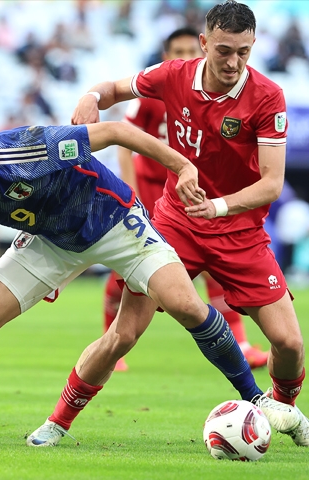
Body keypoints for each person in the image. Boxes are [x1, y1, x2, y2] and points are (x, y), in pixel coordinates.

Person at [30, 0, 309, 448]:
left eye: (243, 52)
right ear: (204, 44)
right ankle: (57, 422)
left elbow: (272, 183)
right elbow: (111, 89)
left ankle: (285, 408)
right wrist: (89, 99)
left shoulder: (267, 97)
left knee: (291, 343)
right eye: (224, 50)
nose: (233, 62)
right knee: (123, 334)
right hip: (174, 227)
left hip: (240, 232)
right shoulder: (172, 75)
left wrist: (220, 207)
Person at [0, 121, 298, 447]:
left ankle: (254, 396)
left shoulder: (33, 148)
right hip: (53, 241)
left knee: (186, 305)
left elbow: (116, 132)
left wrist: (182, 167)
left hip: (116, 222)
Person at [104, 26, 268, 372]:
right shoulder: (153, 95)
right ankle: (112, 343)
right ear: (166, 57)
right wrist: (133, 195)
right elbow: (124, 140)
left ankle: (240, 343)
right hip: (154, 189)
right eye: (176, 51)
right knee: (130, 268)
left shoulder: (220, 95)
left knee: (214, 270)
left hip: (195, 192)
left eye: (189, 50)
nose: (184, 57)